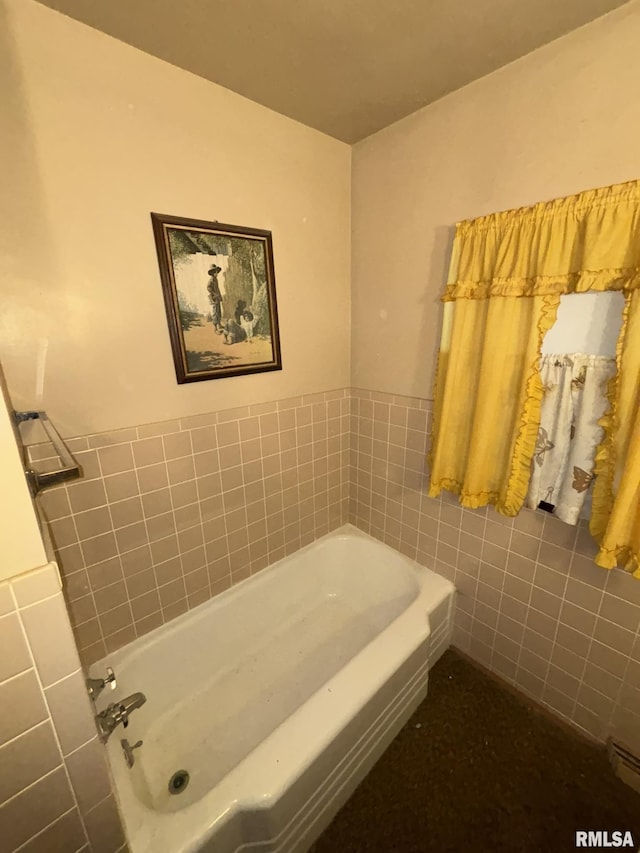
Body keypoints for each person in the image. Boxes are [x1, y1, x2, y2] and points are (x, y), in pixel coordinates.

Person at [207, 262, 224, 334]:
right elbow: (208, 288)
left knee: (218, 312)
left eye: (217, 272)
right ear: (213, 273)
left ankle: (219, 325)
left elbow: (217, 289)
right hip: (213, 298)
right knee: (215, 313)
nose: (217, 273)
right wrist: (214, 294)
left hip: (217, 298)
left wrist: (219, 296)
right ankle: (215, 329)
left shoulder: (215, 279)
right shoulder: (211, 280)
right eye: (216, 272)